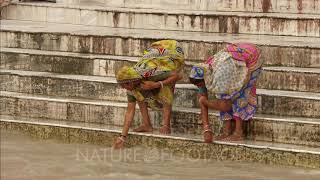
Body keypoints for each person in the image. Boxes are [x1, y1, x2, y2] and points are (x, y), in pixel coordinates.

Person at [113, 40, 184, 149]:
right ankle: (147, 125)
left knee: (167, 87)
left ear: (131, 82)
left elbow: (178, 76)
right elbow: (130, 111)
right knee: (138, 94)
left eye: (124, 86)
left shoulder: (152, 74)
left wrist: (156, 84)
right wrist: (122, 137)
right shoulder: (131, 83)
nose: (123, 88)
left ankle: (166, 124)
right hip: (153, 54)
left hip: (171, 51)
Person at [189, 43, 263, 143]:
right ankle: (226, 131)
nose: (201, 87)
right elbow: (203, 98)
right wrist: (206, 129)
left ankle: (238, 132)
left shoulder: (219, 76)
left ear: (204, 80)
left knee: (240, 93)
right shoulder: (204, 71)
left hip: (252, 57)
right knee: (223, 95)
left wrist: (206, 102)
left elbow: (225, 106)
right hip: (234, 59)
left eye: (200, 85)